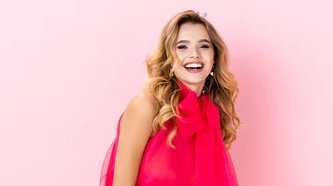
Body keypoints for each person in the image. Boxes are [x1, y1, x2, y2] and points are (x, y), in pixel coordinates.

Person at [100, 10, 241, 186]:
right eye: (182, 46)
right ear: (169, 58)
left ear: (214, 58)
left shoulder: (211, 116)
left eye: (204, 46)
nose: (194, 54)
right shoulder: (146, 106)